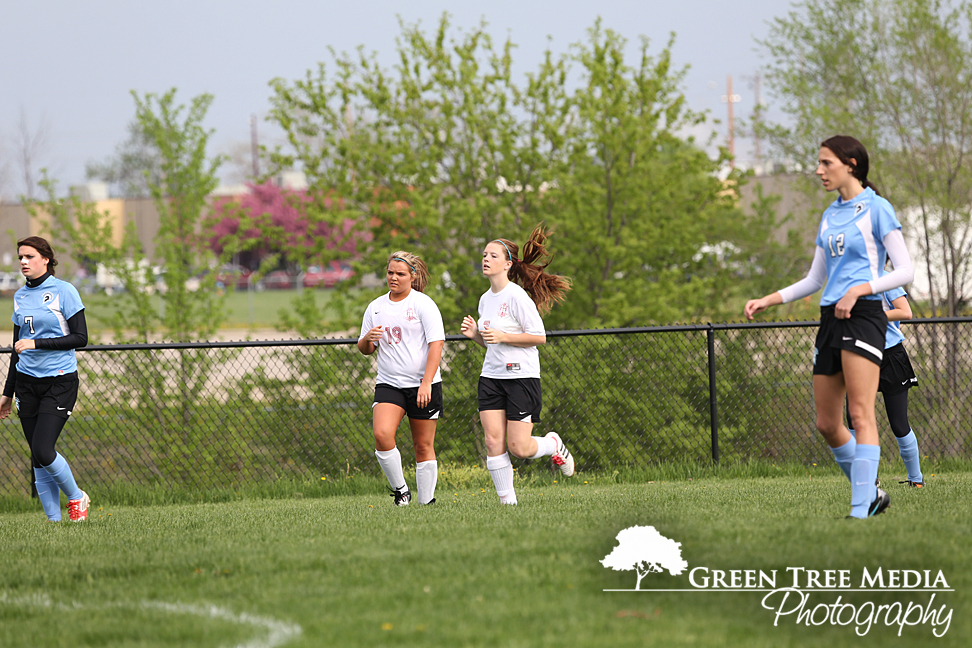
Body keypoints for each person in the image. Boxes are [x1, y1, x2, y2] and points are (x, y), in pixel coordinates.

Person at [744, 135, 914, 519]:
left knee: (860, 413)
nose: (819, 170)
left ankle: (860, 508)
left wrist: (861, 289)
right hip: (829, 320)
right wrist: (770, 298)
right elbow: (814, 278)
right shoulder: (830, 214)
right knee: (826, 422)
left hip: (864, 315)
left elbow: (905, 270)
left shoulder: (877, 209)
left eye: (826, 163)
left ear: (851, 164)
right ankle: (871, 492)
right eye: (818, 163)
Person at [460, 224, 574, 505]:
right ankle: (507, 504)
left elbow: (539, 337)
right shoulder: (485, 299)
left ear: (508, 264)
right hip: (491, 377)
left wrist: (503, 336)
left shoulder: (517, 297)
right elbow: (493, 343)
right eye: (484, 254)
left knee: (519, 447)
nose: (486, 259)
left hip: (521, 377)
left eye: (493, 256)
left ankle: (552, 444)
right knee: (492, 442)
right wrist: (476, 336)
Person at [0, 236, 90, 522]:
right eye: (20, 258)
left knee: (43, 448)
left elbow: (81, 338)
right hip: (27, 383)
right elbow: (17, 350)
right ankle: (54, 522)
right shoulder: (20, 296)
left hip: (59, 382)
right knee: (36, 457)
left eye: (29, 257)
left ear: (46, 259)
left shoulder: (65, 291)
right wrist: (7, 392)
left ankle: (76, 497)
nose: (23, 262)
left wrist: (37, 344)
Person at [358, 251, 444, 506]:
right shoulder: (375, 307)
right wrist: (367, 340)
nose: (393, 278)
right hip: (389, 383)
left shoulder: (423, 304)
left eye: (400, 274)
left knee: (422, 446)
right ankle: (401, 491)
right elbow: (365, 349)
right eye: (390, 273)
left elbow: (436, 344)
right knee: (382, 434)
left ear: (412, 276)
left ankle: (426, 502)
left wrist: (426, 382)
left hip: (422, 385)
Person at [845, 288, 924, 487]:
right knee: (855, 419)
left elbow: (905, 312)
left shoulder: (886, 279)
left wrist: (868, 317)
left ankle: (916, 479)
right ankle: (867, 479)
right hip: (859, 355)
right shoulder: (848, 280)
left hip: (890, 356)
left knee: (898, 423)